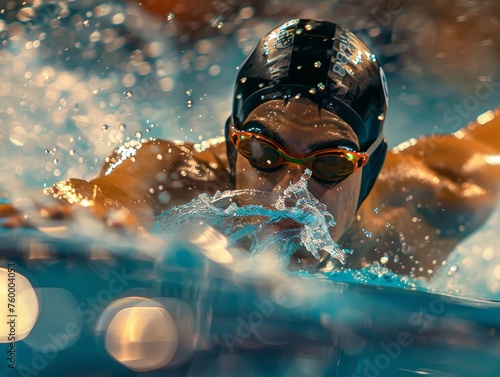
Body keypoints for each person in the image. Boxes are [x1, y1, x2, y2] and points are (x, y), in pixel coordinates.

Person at [2, 19, 499, 277]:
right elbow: (99, 196)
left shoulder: (438, 198)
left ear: (369, 169)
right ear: (233, 145)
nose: (290, 193)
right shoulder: (175, 178)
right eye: (265, 155)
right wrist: (74, 215)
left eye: (329, 164)